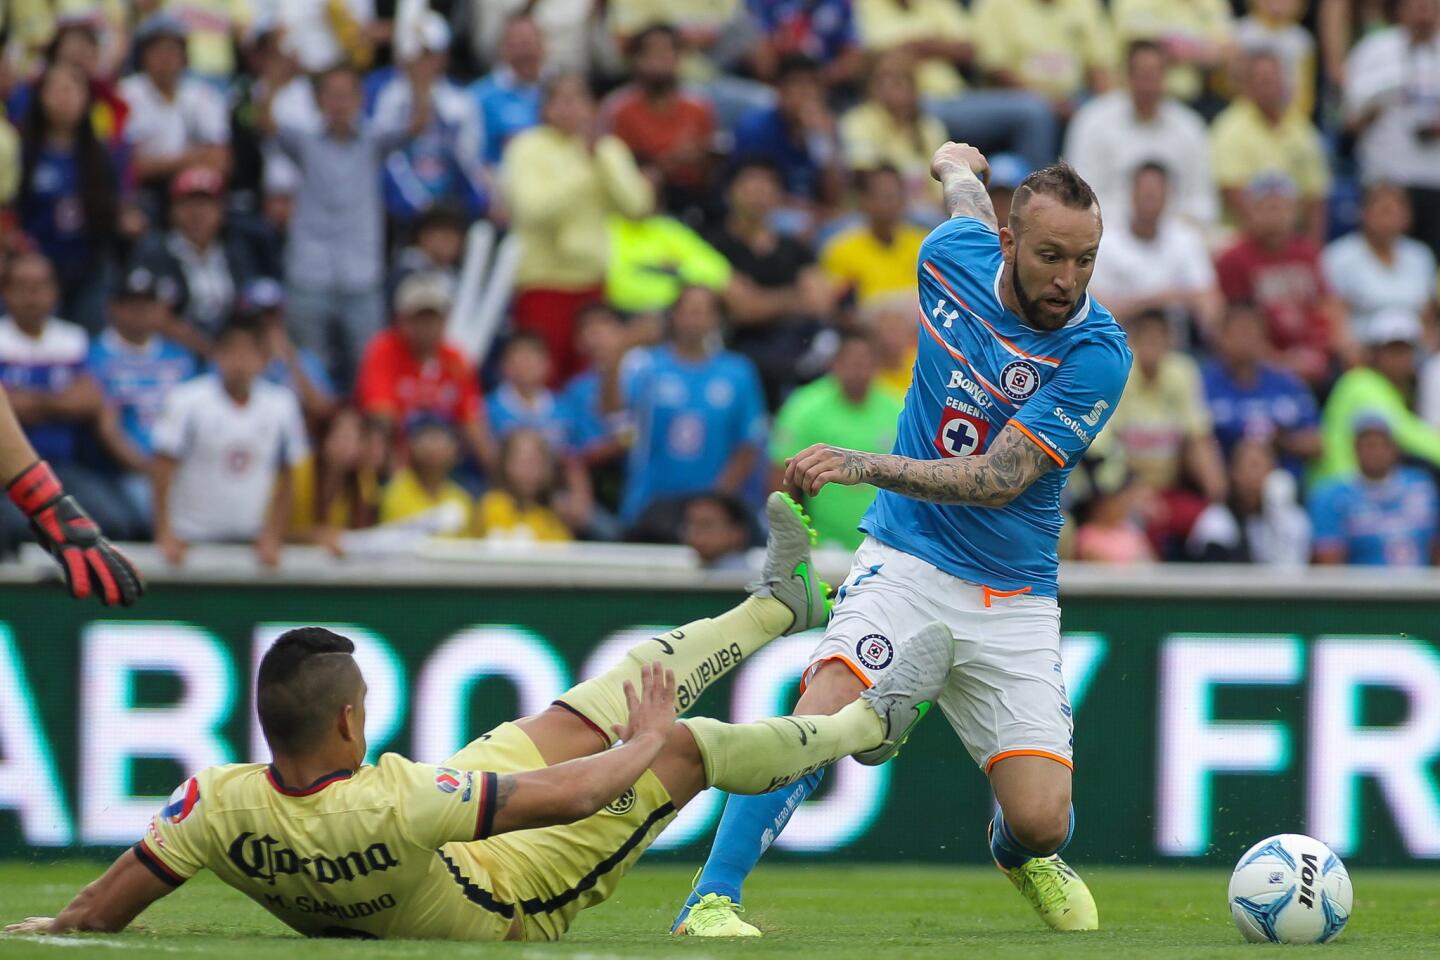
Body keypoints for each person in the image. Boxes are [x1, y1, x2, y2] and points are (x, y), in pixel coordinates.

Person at [3, 500, 957, 941]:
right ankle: (869, 728)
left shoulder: (213, 804)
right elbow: (569, 794)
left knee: (610, 694)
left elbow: (101, 910)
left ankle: (777, 608)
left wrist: (52, 926)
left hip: (444, 847)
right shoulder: (400, 799)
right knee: (681, 746)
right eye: (366, 707)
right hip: (506, 898)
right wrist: (637, 753)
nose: (370, 718)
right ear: (344, 721)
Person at [673, 144, 1131, 937]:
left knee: (1044, 820)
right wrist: (956, 168)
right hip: (908, 557)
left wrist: (864, 464)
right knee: (820, 709)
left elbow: (998, 478)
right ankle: (711, 899)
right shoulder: (951, 256)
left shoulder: (1097, 354)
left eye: (1086, 260)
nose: (1069, 280)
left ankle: (1017, 852)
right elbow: (965, 207)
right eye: (1052, 256)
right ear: (1010, 245)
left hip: (1012, 590)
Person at [259, 63, 432, 390]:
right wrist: (272, 81)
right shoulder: (305, 141)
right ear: (319, 100)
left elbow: (418, 125)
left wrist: (419, 84)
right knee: (311, 373)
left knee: (369, 372)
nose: (339, 103)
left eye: (346, 95)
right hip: (309, 274)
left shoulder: (373, 141)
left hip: (361, 276)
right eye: (331, 95)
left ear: (360, 99)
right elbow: (265, 123)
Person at [0, 263, 142, 606]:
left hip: (61, 469)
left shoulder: (72, 338)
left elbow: (91, 399)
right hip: (7, 479)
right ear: (7, 293)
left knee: (117, 520)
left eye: (40, 286)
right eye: (23, 286)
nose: (32, 296)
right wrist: (56, 400)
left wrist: (28, 401)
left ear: (55, 292)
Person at [501, 73, 653, 385]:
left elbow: (637, 206)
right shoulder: (527, 148)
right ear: (545, 107)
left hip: (593, 285)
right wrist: (584, 167)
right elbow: (531, 211)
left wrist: (600, 160)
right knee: (542, 380)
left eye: (578, 98)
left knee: (594, 378)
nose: (570, 108)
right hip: (543, 284)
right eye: (561, 99)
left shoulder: (608, 149)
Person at [150, 316, 308, 568]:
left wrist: (274, 534)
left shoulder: (282, 405)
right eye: (232, 351)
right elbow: (161, 468)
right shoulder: (187, 401)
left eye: (249, 353)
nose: (240, 362)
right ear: (218, 355)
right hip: (191, 539)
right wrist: (165, 532)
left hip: (251, 541)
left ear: (264, 359)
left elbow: (289, 475)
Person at [619, 285, 768, 526]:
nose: (692, 319)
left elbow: (748, 443)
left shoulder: (738, 372)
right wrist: (620, 347)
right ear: (673, 316)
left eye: (701, 311)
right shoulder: (646, 366)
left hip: (710, 506)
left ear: (716, 319)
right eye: (686, 311)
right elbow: (612, 415)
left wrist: (716, 500)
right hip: (650, 501)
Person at [707, 159, 839, 407]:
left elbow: (820, 302)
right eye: (751, 187)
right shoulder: (715, 245)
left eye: (767, 188)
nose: (759, 196)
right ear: (730, 192)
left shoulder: (793, 246)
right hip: (739, 345)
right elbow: (744, 310)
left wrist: (761, 298)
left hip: (796, 344)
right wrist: (794, 296)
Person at [1105, 309, 1227, 557]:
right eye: (1146, 339)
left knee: (1219, 526)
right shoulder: (1117, 373)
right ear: (1133, 341)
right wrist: (1133, 493)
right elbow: (1108, 445)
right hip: (1125, 494)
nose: (1154, 346)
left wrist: (1217, 494)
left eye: (1160, 339)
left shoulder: (1182, 372)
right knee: (1133, 537)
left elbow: (1198, 437)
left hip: (1171, 490)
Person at [1063, 40, 1218, 228]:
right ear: (1127, 76)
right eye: (1142, 75)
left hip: (1174, 235)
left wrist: (1167, 228)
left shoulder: (1190, 126)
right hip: (1108, 234)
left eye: (1154, 75)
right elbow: (1079, 196)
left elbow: (1203, 201)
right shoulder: (1092, 120)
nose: (1148, 84)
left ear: (1165, 77)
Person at [770, 331, 903, 550]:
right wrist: (789, 534)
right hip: (822, 541)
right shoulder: (805, 407)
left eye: (864, 363)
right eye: (851, 363)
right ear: (834, 364)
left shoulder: (897, 410)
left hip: (883, 541)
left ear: (876, 365)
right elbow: (781, 474)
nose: (858, 371)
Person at [354, 272, 497, 476]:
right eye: (418, 318)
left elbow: (474, 424)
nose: (426, 326)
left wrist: (498, 476)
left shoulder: (456, 359)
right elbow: (381, 419)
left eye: (432, 318)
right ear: (401, 319)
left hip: (447, 462)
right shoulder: (382, 350)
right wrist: (401, 480)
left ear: (445, 319)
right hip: (397, 458)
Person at [17, 61, 124, 334]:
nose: (64, 98)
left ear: (86, 99)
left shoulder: (100, 155)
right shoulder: (24, 152)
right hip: (39, 265)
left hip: (89, 263)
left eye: (72, 90)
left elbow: (113, 206)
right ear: (41, 98)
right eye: (56, 90)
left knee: (89, 334)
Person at [88, 267, 198, 530]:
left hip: (184, 469)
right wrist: (153, 471)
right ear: (112, 308)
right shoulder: (94, 356)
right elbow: (108, 430)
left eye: (148, 303)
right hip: (126, 473)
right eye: (130, 304)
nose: (140, 311)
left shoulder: (181, 357)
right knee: (148, 507)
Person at [1215, 175, 1350, 389]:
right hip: (1262, 363)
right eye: (1267, 207)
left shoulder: (1308, 253)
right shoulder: (1233, 258)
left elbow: (1328, 306)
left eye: (1282, 207)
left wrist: (1334, 348)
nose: (1275, 215)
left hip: (1314, 356)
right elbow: (1236, 326)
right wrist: (1282, 362)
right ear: (1250, 211)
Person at [1342, 0, 1440, 256]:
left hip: (1435, 178)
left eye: (1431, 6)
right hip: (1385, 177)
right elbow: (1348, 118)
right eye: (1417, 6)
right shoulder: (1374, 50)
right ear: (1400, 10)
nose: (1424, 13)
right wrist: (1378, 105)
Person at [1086, 162, 1222, 340]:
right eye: (1144, 193)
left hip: (1176, 347)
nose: (1149, 198)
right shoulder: (1106, 241)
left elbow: (1208, 299)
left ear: (1168, 196)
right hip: (1119, 341)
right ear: (1131, 194)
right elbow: (1096, 309)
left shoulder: (1186, 239)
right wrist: (1159, 299)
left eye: (1155, 193)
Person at [373, 12, 488, 222]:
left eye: (429, 54)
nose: (423, 63)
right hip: (402, 212)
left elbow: (469, 160)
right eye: (417, 55)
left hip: (451, 209)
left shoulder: (461, 101)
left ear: (443, 56)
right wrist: (419, 205)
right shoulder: (388, 97)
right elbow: (387, 158)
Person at [130, 165, 260, 352]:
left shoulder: (235, 251)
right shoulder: (155, 251)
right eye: (188, 204)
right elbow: (149, 314)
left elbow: (251, 303)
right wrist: (209, 351)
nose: (197, 213)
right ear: (172, 210)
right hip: (172, 354)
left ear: (221, 210)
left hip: (229, 353)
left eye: (206, 204)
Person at [1210, 48, 1330, 239]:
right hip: (1244, 241)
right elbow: (1230, 190)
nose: (1272, 87)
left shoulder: (1302, 129)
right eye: (1264, 81)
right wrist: (1273, 238)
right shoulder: (1229, 128)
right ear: (1247, 86)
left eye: (1276, 79)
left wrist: (1312, 249)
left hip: (1292, 239)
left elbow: (1315, 196)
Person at [601, 24, 717, 215]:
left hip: (694, 201)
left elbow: (711, 172)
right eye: (651, 52)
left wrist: (703, 158)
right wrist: (670, 163)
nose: (660, 59)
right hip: (638, 203)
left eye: (667, 50)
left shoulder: (699, 107)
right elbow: (615, 167)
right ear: (636, 60)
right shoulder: (618, 109)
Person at [1315, 308, 1440, 481]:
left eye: (1406, 351)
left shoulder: (1398, 389)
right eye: (1392, 351)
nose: (1400, 359)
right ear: (1373, 354)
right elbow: (1409, 435)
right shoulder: (1361, 383)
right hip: (1341, 491)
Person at [119, 14, 230, 203]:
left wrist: (158, 163)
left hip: (194, 190)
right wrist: (195, 157)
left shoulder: (203, 95)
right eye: (157, 51)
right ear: (143, 56)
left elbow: (220, 162)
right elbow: (131, 167)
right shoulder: (126, 94)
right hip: (144, 194)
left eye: (172, 50)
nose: (166, 58)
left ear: (184, 55)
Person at [1201, 305, 1321, 476]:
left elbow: (1317, 443)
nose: (1245, 340)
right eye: (1239, 333)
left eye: (1251, 332)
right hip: (1227, 486)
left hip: (1286, 484)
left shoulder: (1287, 383)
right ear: (1222, 337)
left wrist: (1282, 442)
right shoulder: (1204, 385)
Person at [1309, 415, 1439, 565]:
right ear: (1355, 448)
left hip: (1421, 585)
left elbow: (1435, 547)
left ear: (1395, 448)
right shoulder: (1332, 496)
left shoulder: (1421, 485)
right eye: (1369, 445)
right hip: (1361, 586)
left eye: (1383, 444)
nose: (1376, 452)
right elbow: (1329, 565)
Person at [1321, 182, 1439, 340]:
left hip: (1413, 351)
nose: (1390, 219)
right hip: (1364, 349)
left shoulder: (1421, 255)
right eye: (1384, 211)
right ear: (1364, 213)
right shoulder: (1338, 256)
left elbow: (1428, 317)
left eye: (1397, 211)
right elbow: (1334, 318)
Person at [731, 55, 843, 213]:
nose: (807, 93)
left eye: (813, 85)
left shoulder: (825, 128)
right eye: (797, 85)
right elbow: (753, 193)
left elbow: (833, 198)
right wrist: (814, 213)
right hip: (763, 213)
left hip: (813, 216)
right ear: (780, 91)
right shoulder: (755, 128)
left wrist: (824, 142)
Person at [838, 51, 949, 209]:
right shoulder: (857, 121)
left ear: (913, 89)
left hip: (928, 208)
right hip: (877, 210)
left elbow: (943, 183)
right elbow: (864, 174)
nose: (888, 87)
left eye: (897, 81)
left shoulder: (929, 127)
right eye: (881, 80)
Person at [971, 0, 1116, 119]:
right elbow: (995, 68)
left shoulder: (1085, 4)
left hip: (1076, 96)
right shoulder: (995, 5)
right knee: (1035, 113)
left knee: (1101, 111)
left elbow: (1099, 66)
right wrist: (1046, 101)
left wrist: (1105, 108)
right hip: (1017, 97)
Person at [1188, 436, 1312, 565]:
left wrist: (1279, 516)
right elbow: (1214, 577)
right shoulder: (1216, 521)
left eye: (1259, 466)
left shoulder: (1293, 518)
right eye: (1248, 466)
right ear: (1234, 473)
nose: (1253, 476)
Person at [821, 166, 929, 308]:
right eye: (882, 196)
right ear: (864, 201)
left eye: (893, 196)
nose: (888, 203)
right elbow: (835, 307)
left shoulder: (924, 245)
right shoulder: (840, 250)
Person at [1110, 0, 1233, 106]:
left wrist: (1182, 50)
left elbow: (1228, 51)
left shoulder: (1212, 2)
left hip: (1201, 97)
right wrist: (1201, 49)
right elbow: (1141, 49)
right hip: (1142, 99)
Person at [467, 13, 545, 169]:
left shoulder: (557, 90)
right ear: (503, 48)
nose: (526, 52)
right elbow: (469, 157)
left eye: (531, 43)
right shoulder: (478, 96)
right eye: (519, 44)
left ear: (544, 46)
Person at [471, 428, 575, 543]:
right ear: (505, 463)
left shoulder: (554, 519)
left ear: (547, 467)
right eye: (521, 461)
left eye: (535, 462)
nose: (527, 470)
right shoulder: (489, 506)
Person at [379, 417, 472, 532]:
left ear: (454, 451)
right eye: (429, 438)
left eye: (440, 439)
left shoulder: (461, 499)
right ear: (412, 447)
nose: (435, 446)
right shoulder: (394, 491)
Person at [682, 492, 753, 570]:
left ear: (737, 532)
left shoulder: (744, 578)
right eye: (691, 524)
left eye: (706, 525)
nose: (694, 532)